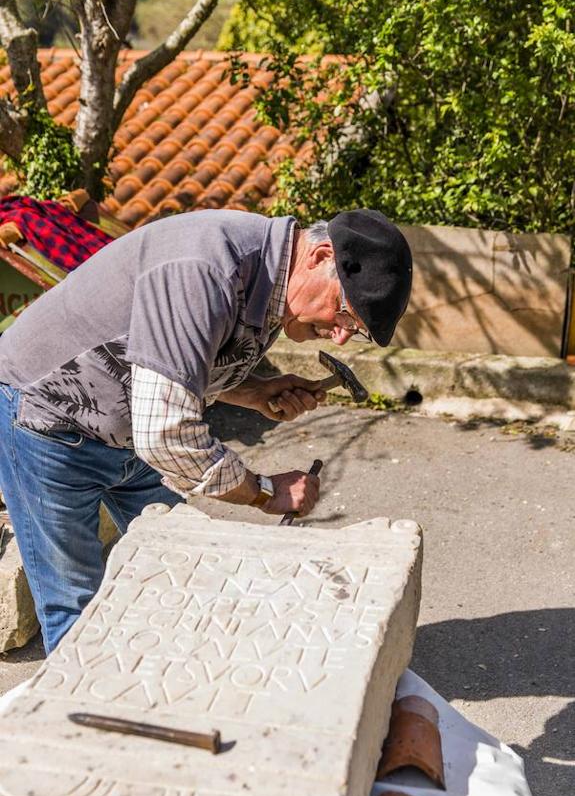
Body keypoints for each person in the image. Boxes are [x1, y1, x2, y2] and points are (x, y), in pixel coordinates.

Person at [0, 207, 412, 652]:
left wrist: (254, 392)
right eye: (345, 313)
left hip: (129, 430)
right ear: (321, 256)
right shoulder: (206, 269)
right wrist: (264, 489)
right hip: (46, 422)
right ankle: (79, 711)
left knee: (183, 568)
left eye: (355, 330)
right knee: (77, 610)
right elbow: (168, 436)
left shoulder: (273, 281)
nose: (340, 336)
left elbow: (182, 365)